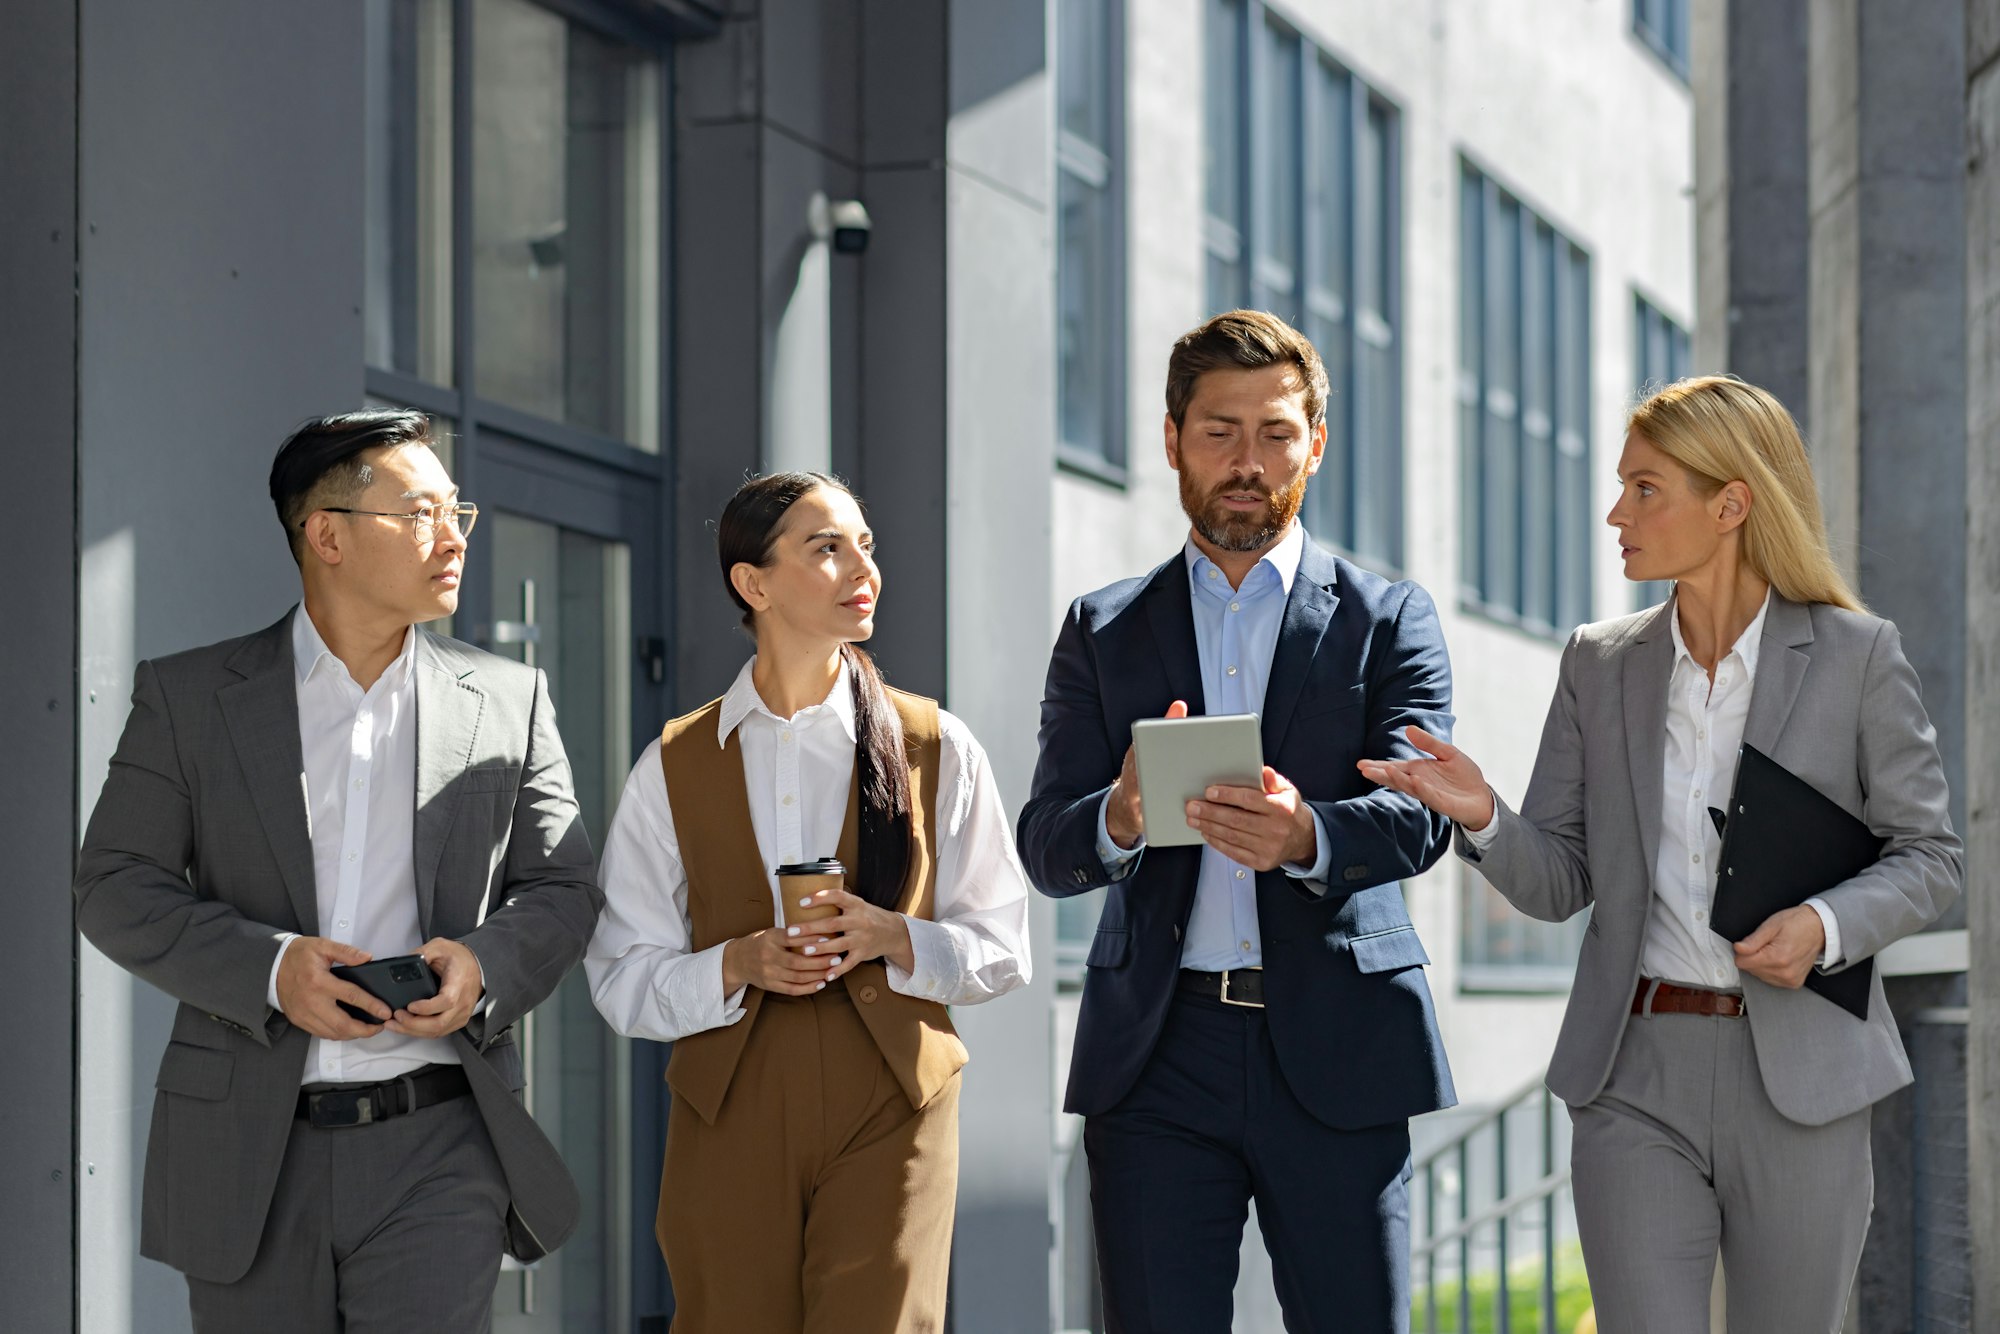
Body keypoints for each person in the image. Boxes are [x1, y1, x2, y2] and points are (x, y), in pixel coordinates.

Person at [1359, 375, 1962, 1332]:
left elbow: (1931, 856)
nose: (1616, 513)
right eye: (1620, 486)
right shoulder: (1599, 663)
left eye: (1646, 488)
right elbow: (1561, 881)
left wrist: (1825, 923)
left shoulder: (1857, 655)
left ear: (1731, 503)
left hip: (1802, 1073)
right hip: (1633, 1073)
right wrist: (1483, 818)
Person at [74, 410, 604, 1330]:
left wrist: (483, 968)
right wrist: (272, 969)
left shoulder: (509, 701)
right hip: (249, 1151)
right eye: (420, 514)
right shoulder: (191, 698)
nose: (453, 538)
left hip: (442, 1143)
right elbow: (114, 882)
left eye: (459, 513)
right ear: (327, 535)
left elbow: (563, 889)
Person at [1017, 309, 1458, 1332]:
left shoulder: (1388, 616)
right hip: (1156, 1056)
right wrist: (1118, 815)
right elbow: (1045, 838)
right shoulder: (1100, 626)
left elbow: (1419, 813)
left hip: (1340, 1050)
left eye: (1274, 431)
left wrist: (1307, 835)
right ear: (1171, 439)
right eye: (1219, 430)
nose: (1247, 459)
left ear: (1314, 442)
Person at [586, 471, 1032, 1334]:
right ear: (752, 584)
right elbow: (619, 975)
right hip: (731, 1102)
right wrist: (739, 962)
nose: (860, 565)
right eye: (826, 547)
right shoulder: (675, 763)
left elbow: (1003, 943)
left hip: (893, 1097)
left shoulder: (936, 746)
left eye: (865, 544)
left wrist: (893, 937)